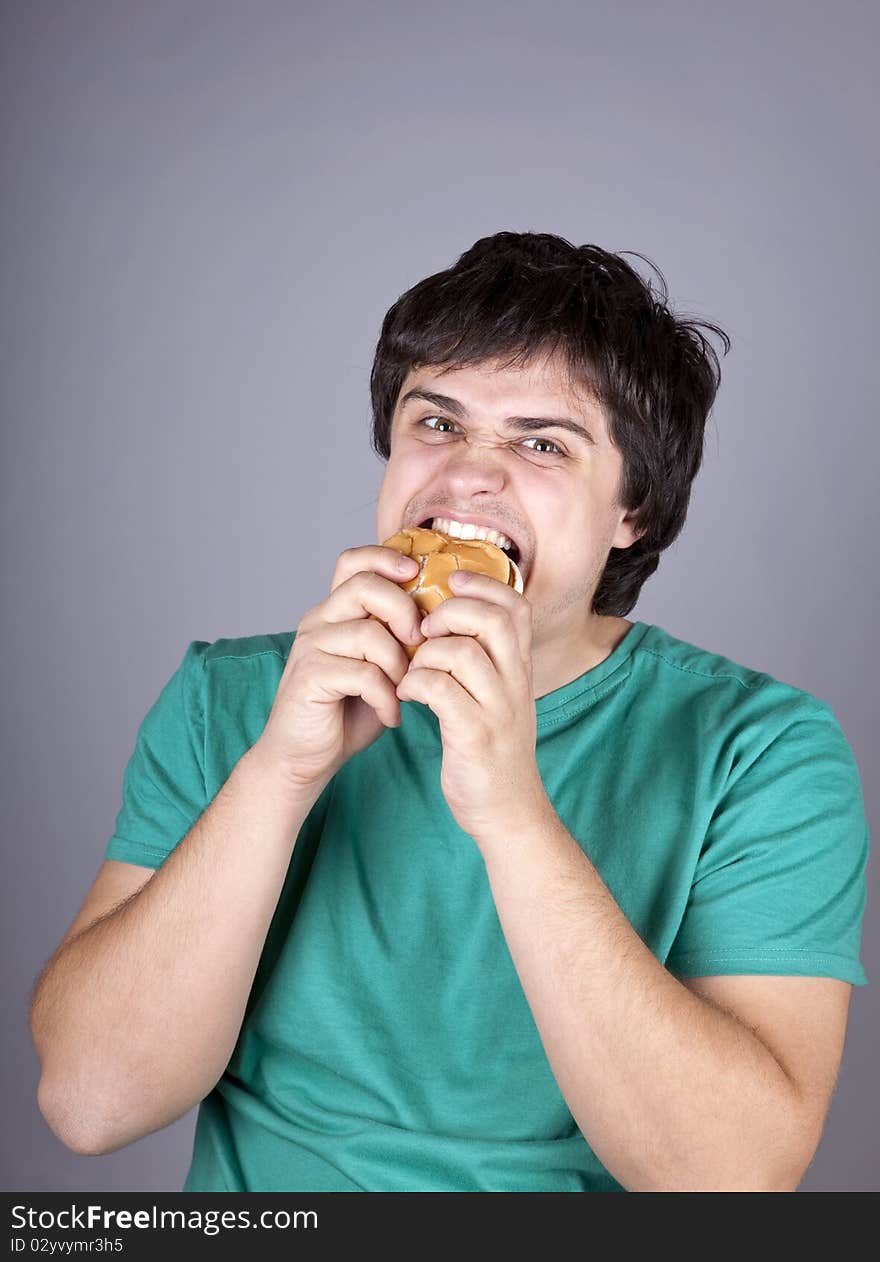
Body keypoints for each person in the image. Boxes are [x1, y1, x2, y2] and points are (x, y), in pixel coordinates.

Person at [29, 231, 869, 1192]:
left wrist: (511, 813)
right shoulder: (228, 699)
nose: (471, 474)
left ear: (631, 508)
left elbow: (729, 1181)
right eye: (437, 423)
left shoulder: (762, 752)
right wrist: (279, 772)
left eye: (542, 442)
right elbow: (91, 1105)